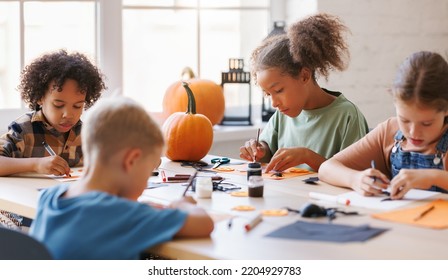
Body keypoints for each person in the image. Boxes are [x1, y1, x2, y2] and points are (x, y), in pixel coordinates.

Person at [29, 96, 214, 260]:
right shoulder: (120, 214)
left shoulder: (51, 197)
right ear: (131, 160)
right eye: (147, 171)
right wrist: (183, 205)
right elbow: (203, 224)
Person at [239, 13, 369, 173]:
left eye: (278, 90)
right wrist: (260, 151)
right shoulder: (282, 115)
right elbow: (268, 152)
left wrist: (307, 156)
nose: (274, 103)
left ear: (304, 76)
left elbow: (354, 174)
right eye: (267, 94)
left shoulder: (347, 116)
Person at [319, 51, 448, 200]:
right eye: (405, 120)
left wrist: (434, 177)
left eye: (426, 123)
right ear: (395, 103)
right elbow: (326, 169)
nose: (414, 132)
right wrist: (355, 179)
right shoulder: (389, 131)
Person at [0, 49, 106, 177]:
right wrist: (36, 164)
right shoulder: (23, 130)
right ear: (40, 98)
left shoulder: (86, 135)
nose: (68, 114)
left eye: (77, 106)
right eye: (58, 105)